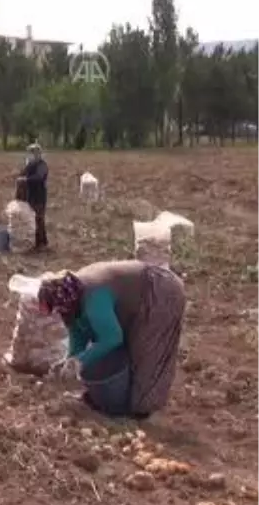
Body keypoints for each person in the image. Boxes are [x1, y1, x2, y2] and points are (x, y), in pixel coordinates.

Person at [39, 261, 186, 419]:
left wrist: (79, 362)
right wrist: (68, 361)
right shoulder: (71, 297)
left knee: (147, 353)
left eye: (57, 309)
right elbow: (78, 334)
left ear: (64, 301)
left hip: (159, 292)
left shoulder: (94, 296)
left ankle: (142, 410)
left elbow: (112, 338)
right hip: (135, 299)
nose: (58, 314)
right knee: (109, 351)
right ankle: (114, 398)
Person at [18, 142, 49, 252]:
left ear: (38, 153)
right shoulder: (31, 165)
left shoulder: (42, 165)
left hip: (39, 196)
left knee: (39, 219)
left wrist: (26, 179)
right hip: (30, 196)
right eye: (29, 153)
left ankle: (42, 243)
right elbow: (22, 174)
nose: (30, 155)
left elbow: (38, 178)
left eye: (32, 153)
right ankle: (35, 242)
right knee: (31, 219)